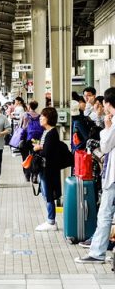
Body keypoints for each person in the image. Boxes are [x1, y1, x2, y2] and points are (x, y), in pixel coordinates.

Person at [76, 88, 115, 262]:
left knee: (105, 214)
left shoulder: (113, 123)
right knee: (106, 214)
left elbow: (106, 146)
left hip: (113, 178)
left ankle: (97, 252)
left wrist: (107, 127)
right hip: (111, 176)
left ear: (107, 103)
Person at [34, 107, 67, 231]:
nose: (40, 118)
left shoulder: (52, 133)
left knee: (48, 195)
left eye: (43, 116)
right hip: (45, 169)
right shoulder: (47, 132)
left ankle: (51, 221)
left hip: (48, 170)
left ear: (49, 118)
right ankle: (50, 220)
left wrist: (38, 148)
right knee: (45, 194)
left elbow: (46, 152)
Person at [20, 100, 42, 181]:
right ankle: (35, 175)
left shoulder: (25, 115)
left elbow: (23, 127)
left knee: (25, 156)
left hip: (27, 138)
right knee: (35, 156)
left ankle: (27, 174)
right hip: (36, 139)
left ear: (29, 106)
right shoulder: (39, 116)